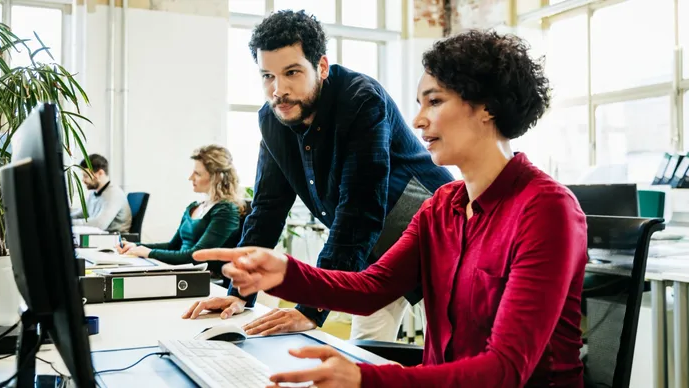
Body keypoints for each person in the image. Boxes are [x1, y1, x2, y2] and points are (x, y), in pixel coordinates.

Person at [192, 30, 588, 387]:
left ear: (486, 107)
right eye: (419, 103)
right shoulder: (443, 207)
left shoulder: (545, 209)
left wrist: (368, 379)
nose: (417, 120)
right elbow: (372, 288)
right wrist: (283, 273)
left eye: (433, 102)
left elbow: (504, 369)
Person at [182, 10, 454, 341]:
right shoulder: (273, 119)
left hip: (435, 239)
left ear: (321, 67)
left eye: (291, 72)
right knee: (366, 352)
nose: (278, 90)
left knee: (457, 348)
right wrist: (240, 292)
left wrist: (310, 308)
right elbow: (267, 208)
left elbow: (359, 208)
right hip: (370, 255)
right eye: (267, 75)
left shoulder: (359, 98)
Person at [117, 145, 244, 276]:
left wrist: (148, 252)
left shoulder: (226, 211)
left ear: (216, 178)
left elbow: (195, 256)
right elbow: (173, 246)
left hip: (202, 278)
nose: (190, 178)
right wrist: (136, 246)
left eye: (198, 174)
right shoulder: (194, 207)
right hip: (182, 271)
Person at [70, 154, 132, 233]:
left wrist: (69, 223)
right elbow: (81, 214)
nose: (83, 180)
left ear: (100, 173)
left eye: (86, 176)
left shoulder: (114, 194)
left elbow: (99, 224)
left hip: (115, 240)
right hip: (100, 237)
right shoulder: (94, 194)